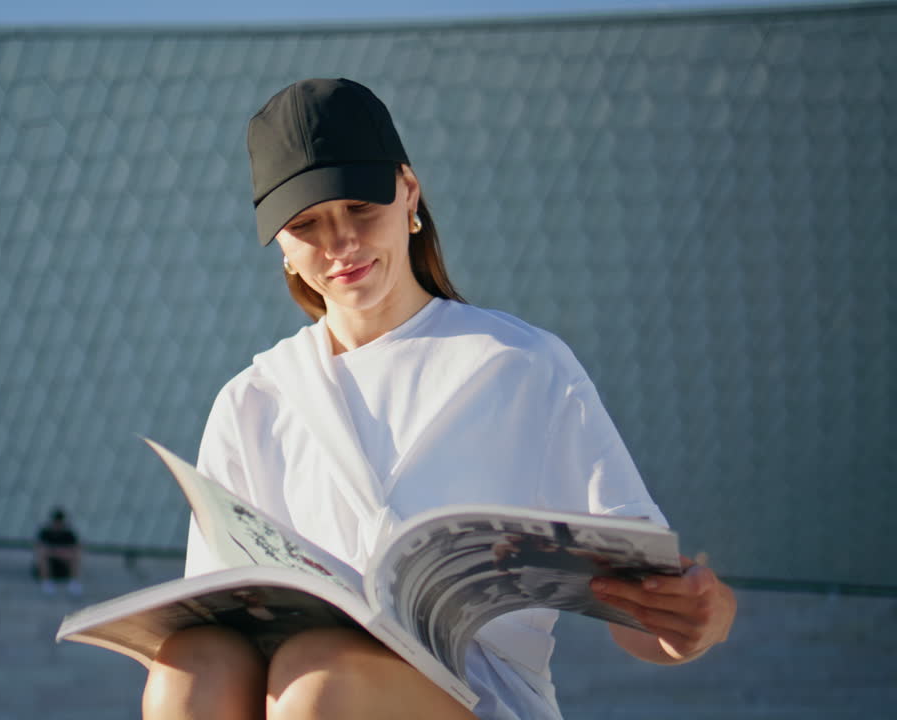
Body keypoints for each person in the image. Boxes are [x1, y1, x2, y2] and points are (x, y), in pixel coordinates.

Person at [140, 78, 736, 720]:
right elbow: (218, 609)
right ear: (281, 246)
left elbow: (645, 607)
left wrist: (699, 620)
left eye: (360, 207)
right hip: (295, 685)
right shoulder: (252, 401)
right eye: (306, 224)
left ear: (409, 193)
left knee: (318, 677)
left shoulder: (519, 365)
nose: (340, 243)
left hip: (480, 698)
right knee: (191, 665)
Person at [36, 508, 82, 596]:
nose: (58, 525)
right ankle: (46, 582)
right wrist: (56, 552)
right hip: (49, 563)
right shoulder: (45, 533)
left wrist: (61, 553)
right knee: (42, 554)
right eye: (56, 522)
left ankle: (74, 583)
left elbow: (77, 548)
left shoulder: (69, 534)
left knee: (76, 555)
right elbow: (39, 548)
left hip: (63, 563)